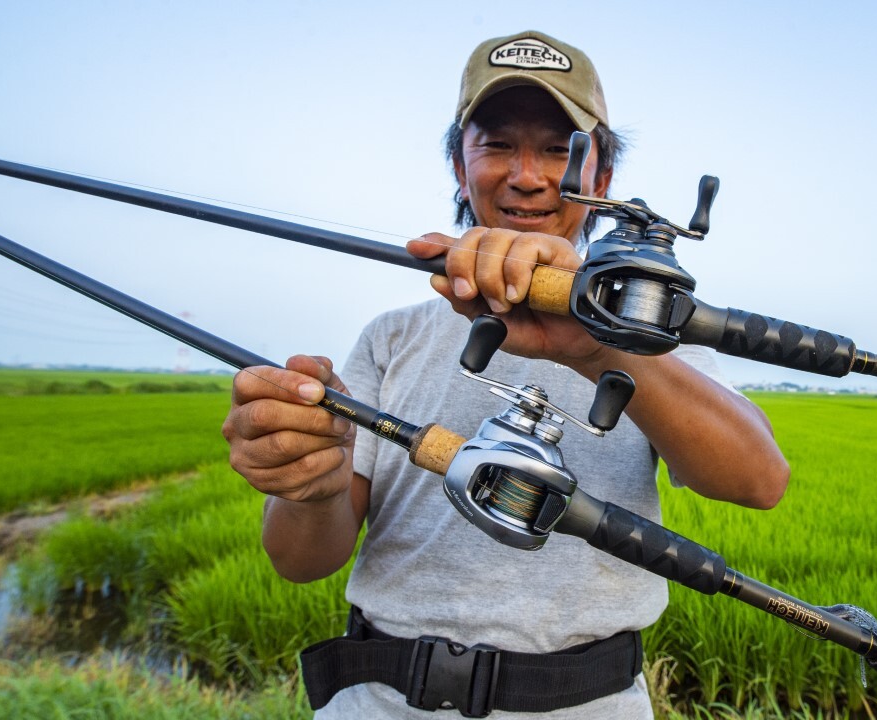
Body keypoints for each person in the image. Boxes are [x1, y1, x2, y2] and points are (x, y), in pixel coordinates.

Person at [222, 30, 789, 718]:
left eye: (561, 149)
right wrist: (312, 482)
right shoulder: (390, 338)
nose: (528, 174)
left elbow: (758, 482)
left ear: (602, 181)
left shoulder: (650, 340)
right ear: (461, 168)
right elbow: (301, 561)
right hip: (380, 699)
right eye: (497, 145)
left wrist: (594, 346)